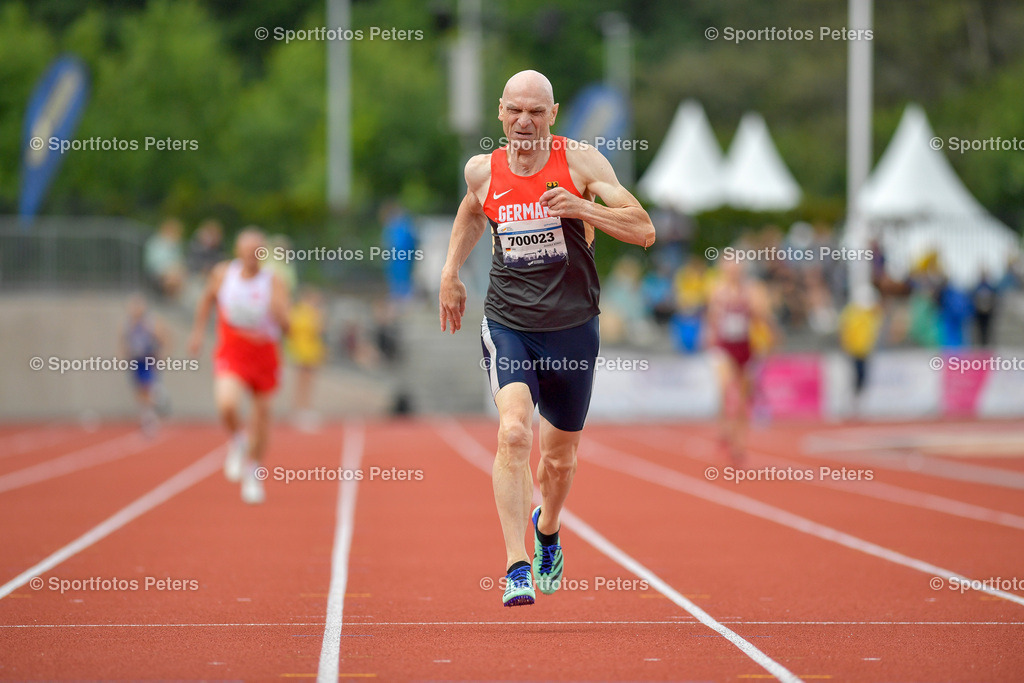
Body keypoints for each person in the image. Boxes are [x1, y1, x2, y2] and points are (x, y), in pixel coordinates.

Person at [438, 70, 655, 607]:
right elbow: (472, 211)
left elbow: (643, 229)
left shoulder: (581, 163)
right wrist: (450, 272)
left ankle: (548, 527)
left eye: (536, 111)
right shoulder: (482, 170)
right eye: (515, 110)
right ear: (500, 111)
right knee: (514, 433)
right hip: (509, 323)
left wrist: (581, 208)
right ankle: (516, 566)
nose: (524, 121)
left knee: (558, 462)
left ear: (552, 115)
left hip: (572, 330)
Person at [188, 228, 290, 504]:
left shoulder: (273, 281)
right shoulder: (224, 274)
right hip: (233, 350)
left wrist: (280, 315)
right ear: (238, 251)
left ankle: (253, 471)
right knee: (227, 404)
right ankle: (238, 440)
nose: (252, 256)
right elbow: (206, 300)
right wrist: (198, 332)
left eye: (257, 251)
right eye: (247, 250)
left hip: (264, 353)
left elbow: (287, 325)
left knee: (262, 416)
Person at [706, 257, 775, 466]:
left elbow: (762, 316)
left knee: (744, 399)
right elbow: (711, 318)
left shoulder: (753, 290)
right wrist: (708, 336)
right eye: (729, 268)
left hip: (746, 347)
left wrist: (768, 332)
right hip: (724, 347)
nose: (733, 272)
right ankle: (724, 427)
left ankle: (739, 443)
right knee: (725, 388)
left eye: (736, 268)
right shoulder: (717, 290)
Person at [121, 294, 169, 436]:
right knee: (139, 391)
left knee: (148, 389)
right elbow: (124, 340)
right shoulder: (128, 324)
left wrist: (161, 353)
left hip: (148, 358)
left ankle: (151, 416)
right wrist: (124, 355)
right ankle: (147, 416)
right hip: (136, 360)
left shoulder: (150, 322)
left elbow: (162, 338)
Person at [286, 286, 328, 431]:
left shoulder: (298, 311)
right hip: (305, 350)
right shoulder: (308, 313)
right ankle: (301, 408)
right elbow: (319, 330)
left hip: (305, 350)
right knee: (305, 381)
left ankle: (302, 408)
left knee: (304, 381)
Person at [839, 284, 883, 410]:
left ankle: (858, 402)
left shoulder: (869, 314)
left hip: (865, 350)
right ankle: (850, 402)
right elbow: (846, 332)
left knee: (862, 377)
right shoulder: (852, 313)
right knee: (853, 377)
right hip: (854, 350)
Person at [144, 218, 187, 300]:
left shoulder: (176, 245)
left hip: (173, 271)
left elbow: (179, 260)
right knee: (173, 275)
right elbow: (153, 261)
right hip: (157, 271)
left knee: (179, 274)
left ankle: (171, 298)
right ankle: (170, 298)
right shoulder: (155, 242)